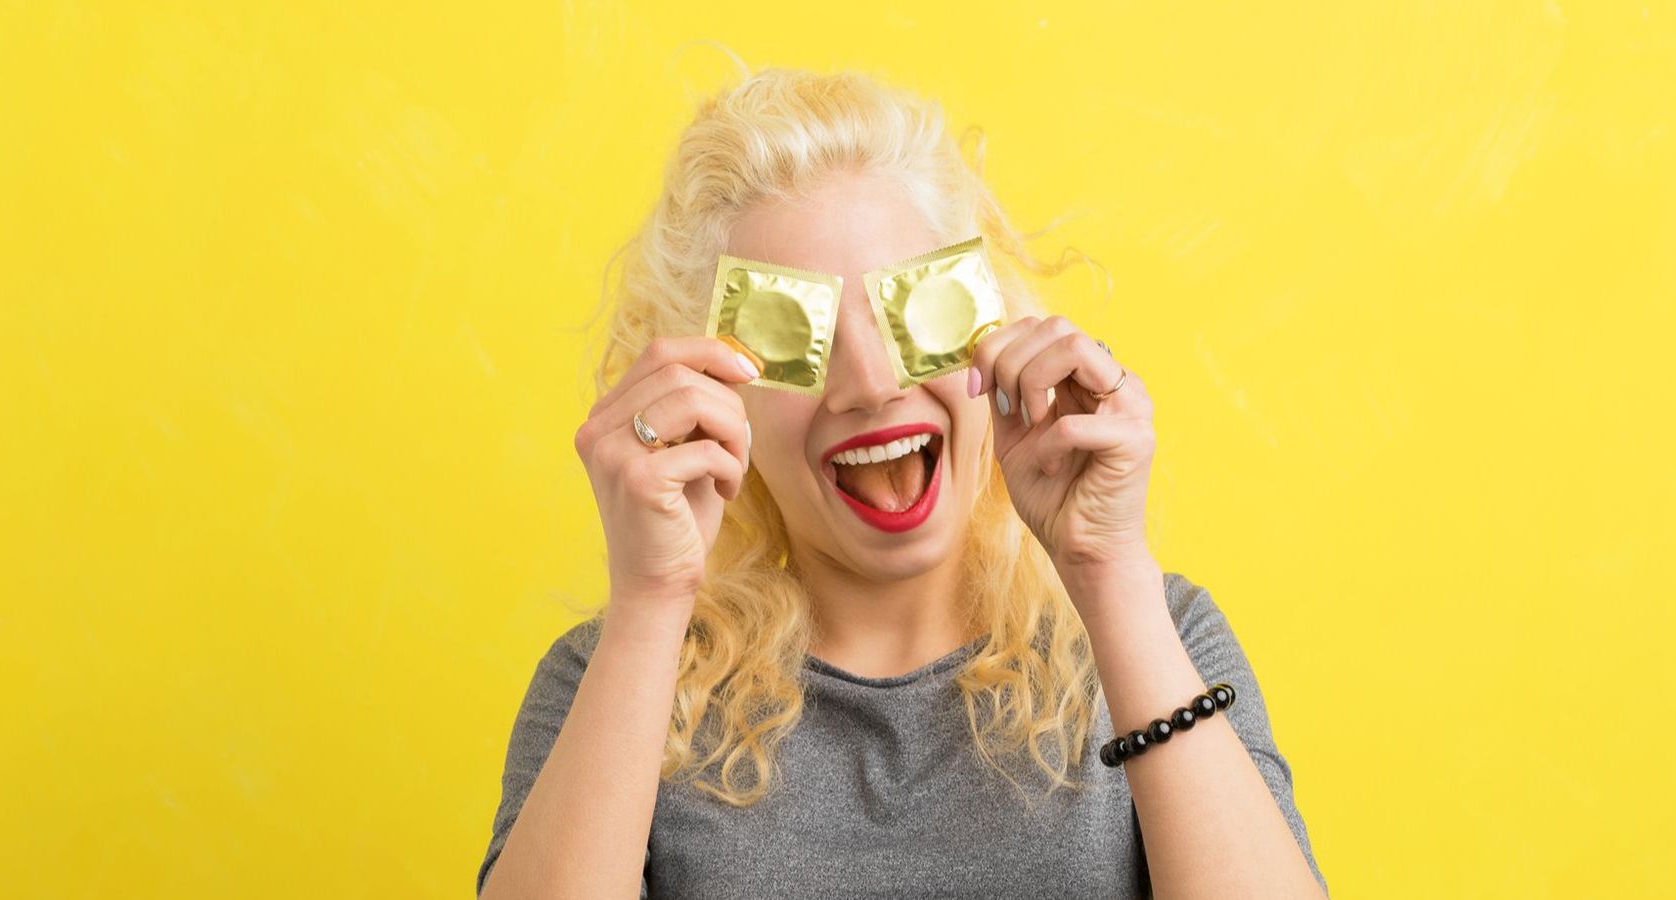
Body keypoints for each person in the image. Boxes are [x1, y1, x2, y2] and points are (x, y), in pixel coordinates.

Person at [476, 65, 1327, 899]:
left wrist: (1111, 575)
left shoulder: (1164, 635)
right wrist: (651, 601)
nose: (870, 384)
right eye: (793, 338)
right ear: (714, 394)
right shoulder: (615, 674)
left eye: (907, 314)